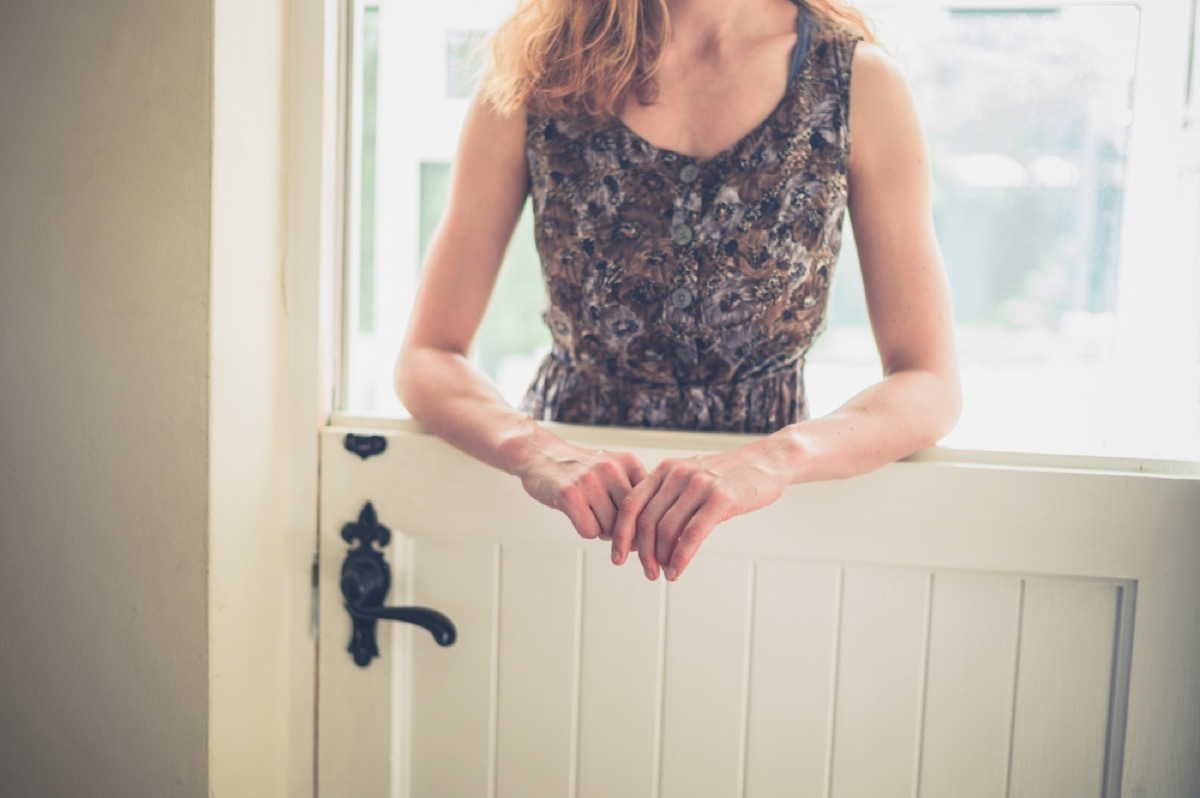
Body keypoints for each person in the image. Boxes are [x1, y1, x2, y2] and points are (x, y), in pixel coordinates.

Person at [395, 0, 961, 583]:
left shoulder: (858, 83)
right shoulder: (540, 72)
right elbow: (427, 355)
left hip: (771, 528)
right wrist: (536, 450)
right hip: (565, 521)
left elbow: (929, 382)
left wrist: (778, 458)